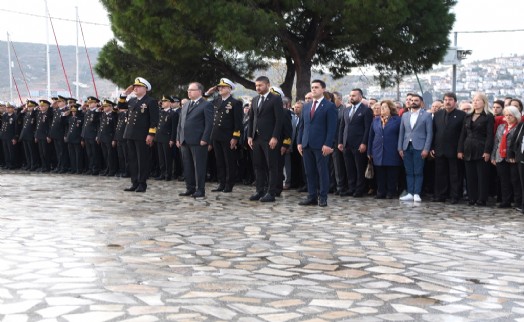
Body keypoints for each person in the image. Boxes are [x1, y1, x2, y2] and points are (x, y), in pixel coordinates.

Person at [297, 79, 338, 207]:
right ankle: (312, 196)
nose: (313, 89)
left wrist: (328, 144)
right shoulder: (307, 106)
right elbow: (302, 126)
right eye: (312, 87)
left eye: (316, 87)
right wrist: (299, 142)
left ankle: (323, 197)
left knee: (322, 171)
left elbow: (332, 128)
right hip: (307, 143)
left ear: (323, 89)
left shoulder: (329, 106)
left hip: (321, 145)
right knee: (309, 172)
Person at [118, 77, 159, 193]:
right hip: (130, 134)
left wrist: (151, 134)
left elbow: (154, 120)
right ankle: (134, 182)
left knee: (142, 160)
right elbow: (120, 107)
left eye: (138, 86)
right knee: (132, 160)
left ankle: (142, 183)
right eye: (134, 86)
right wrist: (124, 94)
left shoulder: (150, 101)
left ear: (145, 88)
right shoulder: (132, 101)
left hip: (142, 135)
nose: (135, 88)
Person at [247, 76, 283, 202]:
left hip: (269, 138)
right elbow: (252, 119)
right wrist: (250, 136)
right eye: (256, 85)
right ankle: (259, 190)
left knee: (272, 166)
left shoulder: (276, 99)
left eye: (260, 85)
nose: (258, 88)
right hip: (257, 138)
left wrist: (275, 136)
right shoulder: (255, 99)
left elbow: (279, 120)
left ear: (268, 85)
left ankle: (271, 192)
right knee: (258, 165)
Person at [205, 78, 243, 192]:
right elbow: (202, 103)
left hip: (228, 136)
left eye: (223, 87)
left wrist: (235, 137)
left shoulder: (235, 103)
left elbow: (238, 123)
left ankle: (229, 184)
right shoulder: (216, 101)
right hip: (216, 135)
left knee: (229, 162)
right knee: (219, 161)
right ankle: (221, 183)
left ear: (229, 89)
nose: (220, 89)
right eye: (219, 87)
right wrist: (207, 93)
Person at [176, 82, 214, 198]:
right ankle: (190, 188)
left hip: (198, 140)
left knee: (199, 166)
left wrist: (205, 139)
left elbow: (209, 124)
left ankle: (200, 189)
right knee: (187, 166)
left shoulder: (206, 105)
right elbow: (180, 123)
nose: (189, 92)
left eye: (191, 90)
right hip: (184, 140)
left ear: (199, 91)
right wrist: (178, 137)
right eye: (188, 90)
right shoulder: (186, 105)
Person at [458, 93, 494, 206]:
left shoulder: (488, 116)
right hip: (468, 147)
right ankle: (471, 198)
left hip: (481, 147)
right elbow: (462, 134)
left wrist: (487, 151)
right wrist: (460, 150)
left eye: (478, 100)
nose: (475, 102)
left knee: (482, 175)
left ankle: (481, 199)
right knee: (470, 175)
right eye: (474, 100)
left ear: (484, 102)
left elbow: (489, 135)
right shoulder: (468, 116)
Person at [430, 92, 466, 204]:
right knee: (440, 174)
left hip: (454, 150)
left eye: (450, 99)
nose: (447, 102)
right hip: (439, 149)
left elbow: (462, 134)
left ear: (455, 102)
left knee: (455, 175)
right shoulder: (438, 114)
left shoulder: (461, 115)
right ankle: (440, 195)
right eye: (445, 99)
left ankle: (455, 196)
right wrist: (432, 147)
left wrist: (460, 149)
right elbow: (433, 132)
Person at [398, 94, 433, 202]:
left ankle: (417, 193)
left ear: (421, 102)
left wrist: (426, 149)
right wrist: (400, 148)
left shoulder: (426, 115)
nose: (413, 102)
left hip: (420, 147)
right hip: (406, 146)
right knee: (409, 171)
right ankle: (410, 192)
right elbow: (401, 133)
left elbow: (429, 133)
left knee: (418, 171)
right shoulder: (405, 115)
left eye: (416, 100)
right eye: (412, 100)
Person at [338, 88, 373, 197]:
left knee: (359, 168)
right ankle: (351, 187)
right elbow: (342, 127)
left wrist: (364, 143)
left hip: (359, 144)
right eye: (350, 95)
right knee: (349, 168)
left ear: (360, 97)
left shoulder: (366, 110)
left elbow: (368, 128)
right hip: (346, 143)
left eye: (354, 95)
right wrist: (340, 141)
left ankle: (360, 189)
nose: (351, 97)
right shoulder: (346, 110)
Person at [368, 100, 402, 199]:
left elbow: (401, 135)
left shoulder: (398, 120)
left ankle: (391, 192)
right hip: (378, 150)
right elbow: (371, 137)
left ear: (391, 108)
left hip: (392, 150)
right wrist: (369, 151)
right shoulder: (376, 120)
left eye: (385, 107)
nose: (382, 109)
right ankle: (380, 191)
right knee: (380, 173)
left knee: (392, 173)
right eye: (381, 107)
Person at [492, 106, 521, 208]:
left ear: (516, 116)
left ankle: (518, 202)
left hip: (513, 158)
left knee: (515, 180)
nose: (508, 117)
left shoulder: (519, 127)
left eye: (510, 115)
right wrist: (493, 157)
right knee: (504, 180)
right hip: (500, 156)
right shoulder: (501, 127)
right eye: (506, 115)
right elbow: (496, 142)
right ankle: (506, 201)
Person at [154, 95, 177, 181]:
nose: (162, 103)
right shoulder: (161, 112)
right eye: (162, 101)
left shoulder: (173, 113)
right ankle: (162, 173)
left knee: (167, 157)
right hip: (159, 137)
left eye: (165, 101)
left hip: (167, 138)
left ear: (170, 103)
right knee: (161, 158)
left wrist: (172, 139)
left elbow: (174, 128)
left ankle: (168, 174)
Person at [332, 92, 348, 195]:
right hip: (329, 142)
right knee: (331, 167)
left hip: (338, 142)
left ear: (340, 99)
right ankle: (332, 185)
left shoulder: (343, 110)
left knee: (338, 166)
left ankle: (340, 186)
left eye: (334, 99)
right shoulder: (331, 109)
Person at [97, 99, 118, 176]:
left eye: (106, 106)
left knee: (111, 155)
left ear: (110, 106)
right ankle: (107, 168)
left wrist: (114, 139)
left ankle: (112, 170)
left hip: (110, 138)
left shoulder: (114, 115)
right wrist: (99, 137)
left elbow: (115, 128)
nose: (104, 108)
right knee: (105, 155)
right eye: (104, 106)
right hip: (103, 137)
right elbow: (100, 127)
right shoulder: (103, 115)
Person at [81, 96, 101, 175]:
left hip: (93, 135)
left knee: (95, 153)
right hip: (86, 135)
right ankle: (91, 167)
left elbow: (98, 125)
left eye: (91, 103)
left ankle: (95, 169)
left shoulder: (97, 112)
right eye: (89, 103)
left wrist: (97, 135)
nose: (89, 104)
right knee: (89, 153)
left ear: (96, 103)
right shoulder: (88, 112)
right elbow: (84, 124)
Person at [19, 100, 40, 171]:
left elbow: (34, 115)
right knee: (27, 152)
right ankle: (29, 164)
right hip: (24, 135)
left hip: (31, 135)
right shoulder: (26, 114)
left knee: (32, 152)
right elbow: (18, 117)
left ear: (34, 107)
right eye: (28, 107)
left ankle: (34, 164)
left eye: (30, 107)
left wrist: (34, 109)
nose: (28, 108)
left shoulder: (35, 114)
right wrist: (23, 110)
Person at [35, 99, 53, 172]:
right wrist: (36, 135)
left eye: (43, 106)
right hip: (39, 135)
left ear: (47, 106)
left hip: (45, 136)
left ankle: (47, 167)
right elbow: (37, 126)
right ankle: (43, 166)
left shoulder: (48, 114)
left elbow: (50, 126)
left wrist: (49, 135)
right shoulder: (39, 114)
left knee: (46, 152)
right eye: (40, 106)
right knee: (41, 153)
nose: (41, 107)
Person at [65, 104, 84, 174]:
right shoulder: (70, 118)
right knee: (72, 155)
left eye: (74, 111)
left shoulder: (80, 119)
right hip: (70, 138)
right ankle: (73, 168)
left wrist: (82, 139)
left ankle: (79, 169)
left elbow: (82, 129)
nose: (73, 112)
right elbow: (64, 123)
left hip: (77, 138)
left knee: (78, 155)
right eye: (72, 111)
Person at [1, 103, 18, 169]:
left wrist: (15, 137)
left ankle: (12, 164)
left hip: (10, 136)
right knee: (6, 151)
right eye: (7, 108)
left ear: (13, 109)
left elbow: (16, 128)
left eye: (9, 108)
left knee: (11, 151)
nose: (7, 109)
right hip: (4, 136)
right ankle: (7, 164)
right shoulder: (5, 115)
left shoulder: (15, 117)